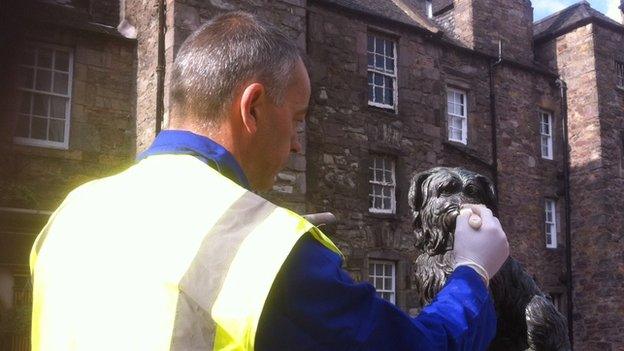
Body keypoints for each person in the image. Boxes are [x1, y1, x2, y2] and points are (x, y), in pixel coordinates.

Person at [29, 11, 509, 351]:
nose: (298, 144)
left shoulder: (70, 213)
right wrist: (473, 270)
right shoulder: (263, 247)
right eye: (297, 119)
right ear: (253, 107)